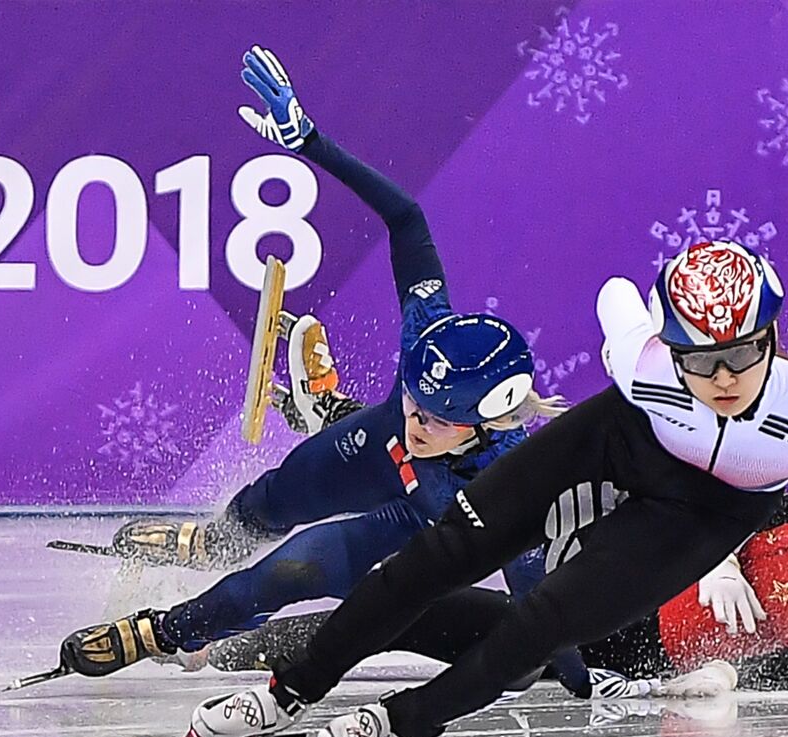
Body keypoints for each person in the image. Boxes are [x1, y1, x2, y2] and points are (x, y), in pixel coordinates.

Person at [189, 236, 788, 737]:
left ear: (773, 338)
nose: (722, 377)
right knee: (440, 554)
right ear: (669, 345)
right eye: (699, 359)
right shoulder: (642, 361)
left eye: (743, 355)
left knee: (544, 620)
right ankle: (293, 688)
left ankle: (404, 721)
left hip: (705, 511)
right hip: (620, 435)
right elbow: (615, 295)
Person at [50, 46, 563, 679]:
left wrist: (591, 678)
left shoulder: (511, 483)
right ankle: (236, 517)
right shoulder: (425, 336)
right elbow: (406, 217)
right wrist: (310, 141)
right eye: (414, 399)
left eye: (436, 419)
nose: (417, 419)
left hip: (416, 524)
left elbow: (542, 611)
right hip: (378, 453)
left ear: (484, 425)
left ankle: (162, 631)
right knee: (280, 494)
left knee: (288, 573)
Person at [199, 422, 788, 709]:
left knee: (421, 612)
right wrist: (717, 558)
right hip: (608, 560)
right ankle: (408, 444)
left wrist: (703, 677)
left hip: (597, 641)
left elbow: (765, 677)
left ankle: (220, 649)